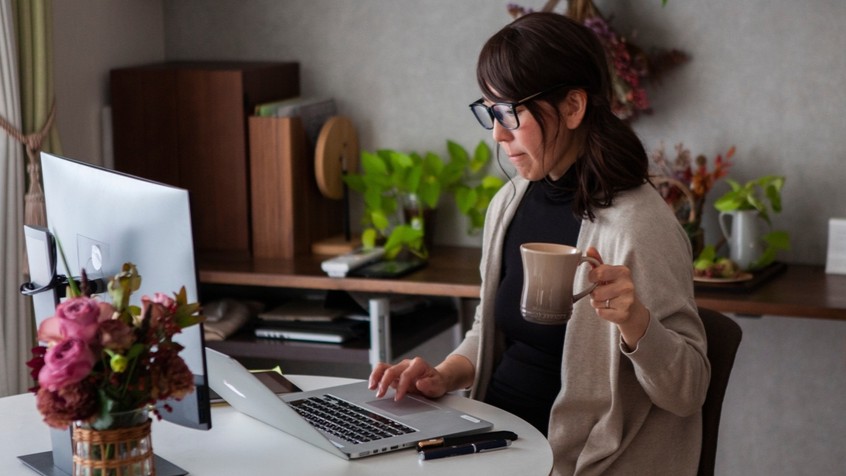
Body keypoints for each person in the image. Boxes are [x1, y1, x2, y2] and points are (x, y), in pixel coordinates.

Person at [369, 12, 709, 476]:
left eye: (510, 111)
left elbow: (688, 391)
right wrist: (444, 374)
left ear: (572, 107)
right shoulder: (509, 203)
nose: (497, 133)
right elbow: (489, 330)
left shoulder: (637, 226)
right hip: (493, 440)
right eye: (490, 111)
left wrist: (636, 322)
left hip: (580, 458)